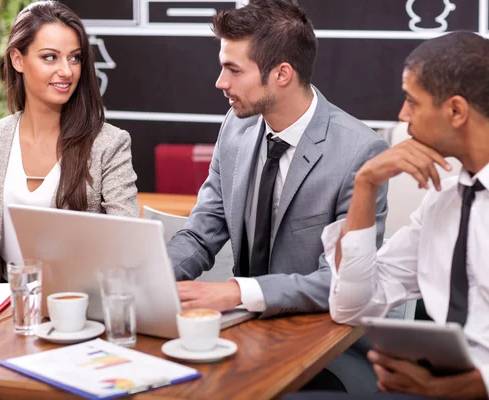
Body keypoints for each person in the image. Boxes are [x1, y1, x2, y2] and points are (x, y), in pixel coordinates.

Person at [166, 0, 388, 392]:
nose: (221, 82)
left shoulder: (358, 152)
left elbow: (337, 282)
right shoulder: (235, 129)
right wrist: (152, 278)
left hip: (323, 350)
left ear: (282, 74)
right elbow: (201, 235)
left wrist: (236, 291)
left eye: (233, 69)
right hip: (238, 338)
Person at [320, 32, 489, 399]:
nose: (402, 115)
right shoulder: (444, 198)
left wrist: (475, 388)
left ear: (456, 111)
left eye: (412, 102)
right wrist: (365, 184)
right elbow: (353, 304)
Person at [0, 1, 139, 283]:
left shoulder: (109, 144)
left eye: (74, 58)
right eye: (50, 57)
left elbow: (130, 244)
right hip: (9, 309)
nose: (67, 71)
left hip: (80, 310)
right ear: (17, 59)